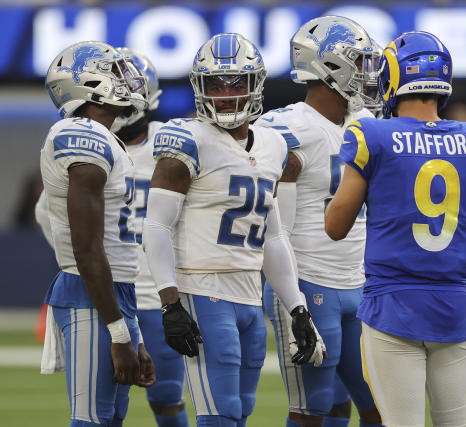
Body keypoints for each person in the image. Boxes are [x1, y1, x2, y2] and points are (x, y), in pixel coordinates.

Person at [324, 31, 466, 427]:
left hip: (391, 309)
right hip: (452, 309)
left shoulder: (372, 135)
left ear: (393, 78)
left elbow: (335, 227)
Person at [142, 33, 325, 427]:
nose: (225, 94)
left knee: (240, 411)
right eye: (215, 84)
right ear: (199, 87)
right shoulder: (188, 139)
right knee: (220, 415)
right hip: (201, 291)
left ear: (255, 84)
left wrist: (298, 308)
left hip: (248, 297)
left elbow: (273, 235)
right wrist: (170, 302)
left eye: (236, 83)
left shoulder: (275, 144)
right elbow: (156, 225)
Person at [254, 15, 383, 427]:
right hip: (308, 279)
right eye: (359, 64)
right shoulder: (288, 127)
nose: (368, 75)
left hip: (359, 280)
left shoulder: (367, 125)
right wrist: (292, 301)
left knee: (377, 405)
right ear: (330, 67)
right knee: (314, 407)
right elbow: (276, 228)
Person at [40, 40, 155, 426]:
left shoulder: (106, 137)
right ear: (89, 84)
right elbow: (87, 248)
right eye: (116, 72)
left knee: (109, 420)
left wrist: (131, 333)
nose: (127, 79)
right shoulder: (80, 134)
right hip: (90, 292)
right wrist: (120, 334)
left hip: (115, 292)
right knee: (91, 420)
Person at [112, 47, 191, 427]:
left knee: (166, 397)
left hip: (159, 291)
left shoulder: (173, 141)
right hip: (109, 290)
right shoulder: (90, 145)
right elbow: (49, 214)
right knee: (104, 401)